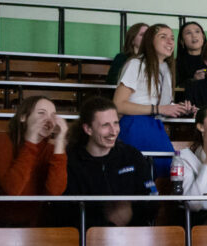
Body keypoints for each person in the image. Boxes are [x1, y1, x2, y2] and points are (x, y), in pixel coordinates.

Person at [113, 24, 194, 177]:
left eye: (172, 38)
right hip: (134, 125)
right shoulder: (136, 64)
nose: (170, 42)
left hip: (155, 125)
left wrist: (180, 108)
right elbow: (118, 104)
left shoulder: (166, 69)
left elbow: (162, 106)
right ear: (150, 41)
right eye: (163, 37)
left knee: (168, 172)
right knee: (137, 175)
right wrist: (159, 109)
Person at [65, 97, 155, 227]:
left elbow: (152, 198)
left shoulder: (132, 155)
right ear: (88, 129)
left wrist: (131, 213)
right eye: (105, 125)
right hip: (88, 236)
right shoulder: (72, 161)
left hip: (133, 234)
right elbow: (67, 211)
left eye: (116, 123)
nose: (113, 131)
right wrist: (105, 220)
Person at [0, 95, 67, 226]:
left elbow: (54, 193)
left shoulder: (50, 149)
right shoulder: (2, 141)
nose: (48, 120)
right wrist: (31, 141)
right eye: (41, 113)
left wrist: (60, 141)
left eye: (53, 115)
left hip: (32, 223)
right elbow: (13, 189)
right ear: (23, 117)